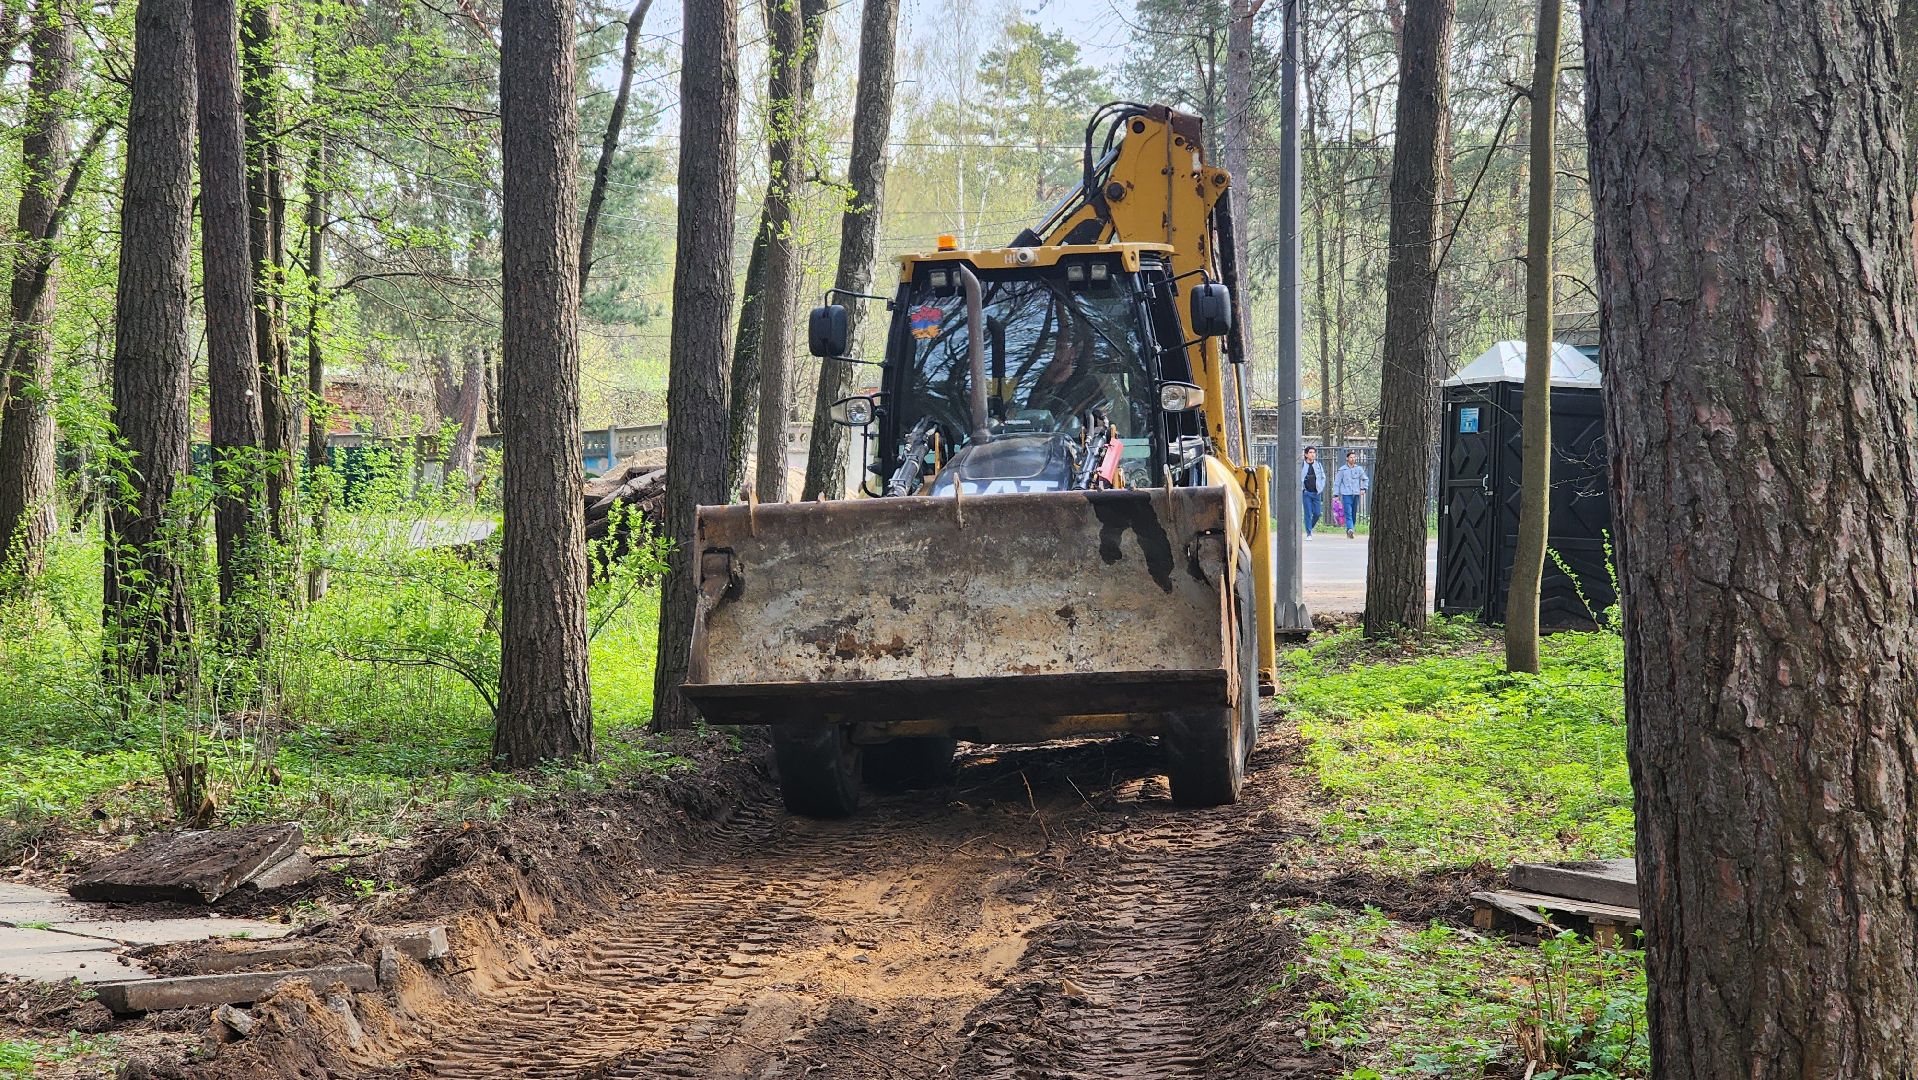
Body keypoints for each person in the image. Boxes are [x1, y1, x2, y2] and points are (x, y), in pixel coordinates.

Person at [1333, 449, 1369, 539]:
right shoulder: (1342, 470)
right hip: (1346, 494)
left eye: (1354, 457)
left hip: (1356, 493)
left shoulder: (1359, 469)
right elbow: (1337, 482)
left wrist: (1364, 488)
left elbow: (1365, 479)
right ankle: (1350, 529)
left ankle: (1350, 529)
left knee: (1353, 513)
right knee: (1348, 512)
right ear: (1347, 459)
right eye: (1351, 457)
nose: (1353, 459)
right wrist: (1336, 495)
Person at [1301, 447, 1325, 540]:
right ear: (1306, 454)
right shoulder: (1302, 465)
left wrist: (1320, 488)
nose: (1312, 454)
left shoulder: (1318, 465)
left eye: (1314, 452)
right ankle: (1309, 533)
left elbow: (1323, 477)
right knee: (1308, 513)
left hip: (1316, 493)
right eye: (1310, 452)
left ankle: (1309, 527)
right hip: (1306, 493)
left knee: (1317, 513)